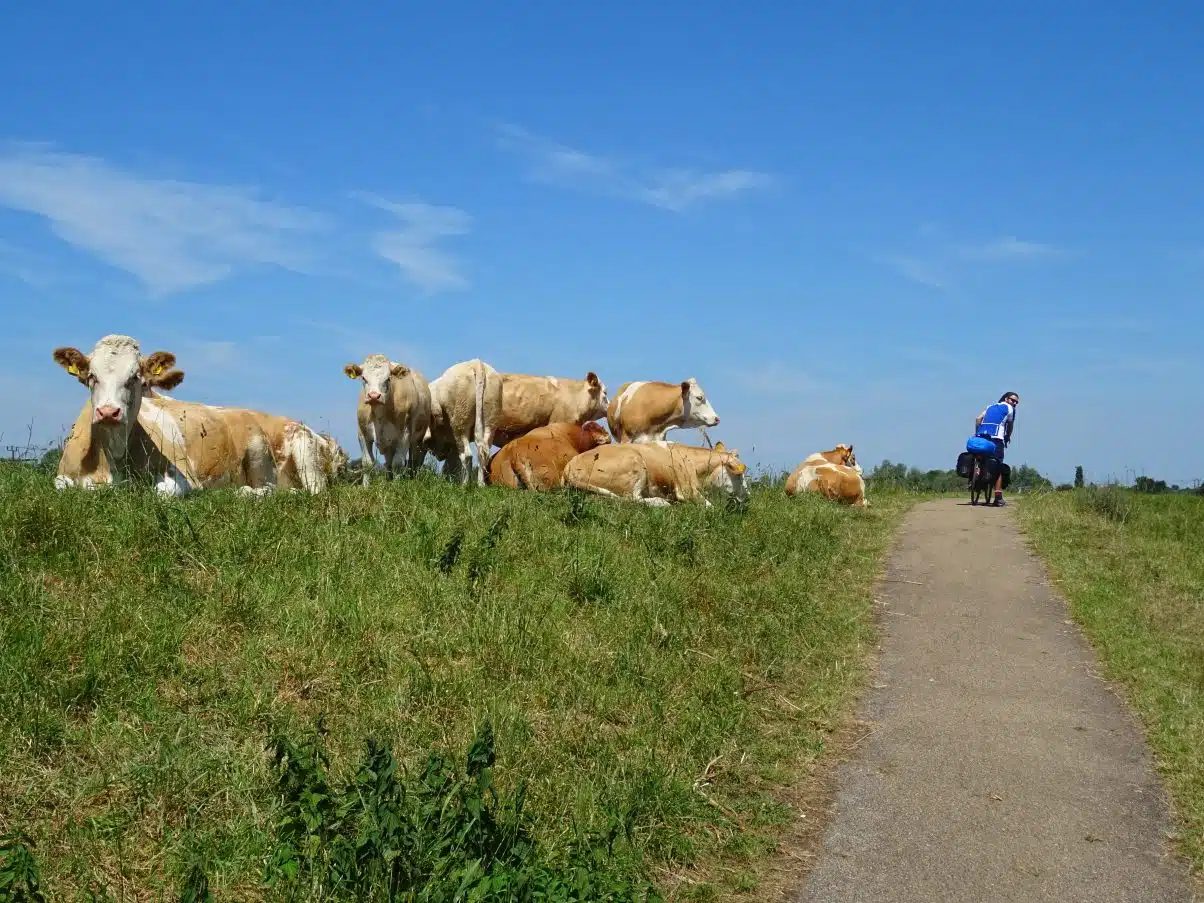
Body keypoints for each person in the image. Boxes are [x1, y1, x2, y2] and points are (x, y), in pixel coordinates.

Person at [974, 391, 1019, 506]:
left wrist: (977, 433)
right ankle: (998, 497)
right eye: (1012, 400)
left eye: (1016, 402)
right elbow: (1010, 426)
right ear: (1005, 399)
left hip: (981, 436)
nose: (1014, 403)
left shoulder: (990, 406)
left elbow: (978, 419)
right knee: (998, 465)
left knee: (982, 457)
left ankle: (978, 473)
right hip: (996, 438)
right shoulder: (1010, 409)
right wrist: (1008, 437)